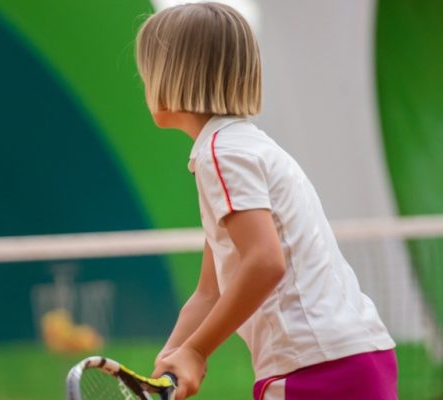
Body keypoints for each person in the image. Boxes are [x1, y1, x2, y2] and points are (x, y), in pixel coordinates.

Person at [135, 4, 396, 400]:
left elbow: (265, 261)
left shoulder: (221, 155)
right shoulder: (245, 146)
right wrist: (174, 354)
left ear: (172, 76)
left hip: (315, 369)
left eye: (147, 69)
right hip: (356, 357)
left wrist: (197, 350)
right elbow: (211, 291)